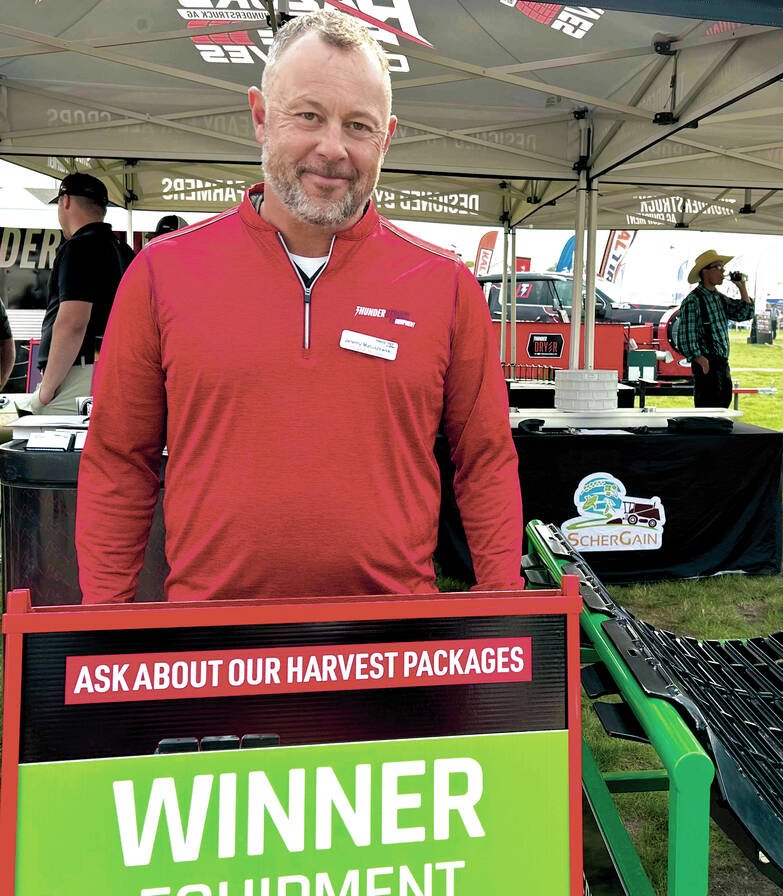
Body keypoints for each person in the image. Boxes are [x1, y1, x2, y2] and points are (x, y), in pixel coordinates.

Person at [76, 9, 522, 603]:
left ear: (386, 137)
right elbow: (118, 459)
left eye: (358, 125)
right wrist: (106, 619)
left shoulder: (445, 284)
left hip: (394, 650)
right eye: (308, 116)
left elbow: (485, 460)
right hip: (213, 654)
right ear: (261, 117)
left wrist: (506, 607)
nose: (332, 149)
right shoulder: (162, 272)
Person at [22, 172, 134, 414]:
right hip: (113, 369)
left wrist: (46, 391)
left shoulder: (80, 246)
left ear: (66, 201)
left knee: (54, 447)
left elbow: (73, 322)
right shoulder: (123, 250)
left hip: (79, 375)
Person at [673, 248, 755, 408]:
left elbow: (745, 313)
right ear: (705, 272)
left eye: (722, 267)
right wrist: (701, 360)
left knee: (722, 409)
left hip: (721, 363)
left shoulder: (718, 298)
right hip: (707, 363)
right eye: (718, 267)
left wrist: (742, 287)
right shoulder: (693, 300)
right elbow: (685, 337)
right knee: (707, 412)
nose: (723, 272)